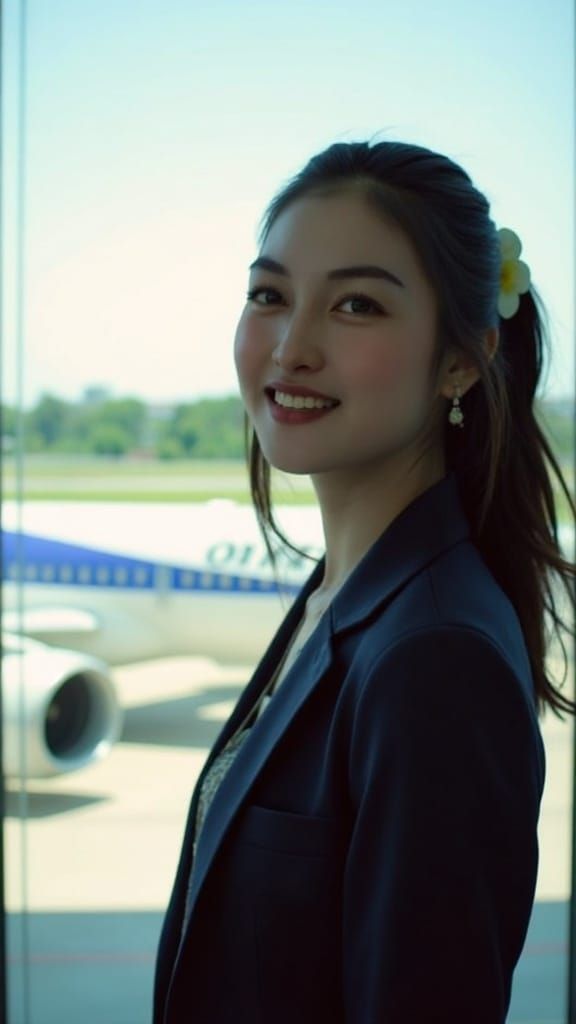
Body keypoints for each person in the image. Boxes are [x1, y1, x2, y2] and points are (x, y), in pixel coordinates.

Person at [153, 138, 576, 1024]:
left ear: (462, 360)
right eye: (269, 295)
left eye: (356, 305)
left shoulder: (433, 657)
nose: (292, 346)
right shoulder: (339, 592)